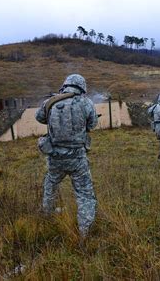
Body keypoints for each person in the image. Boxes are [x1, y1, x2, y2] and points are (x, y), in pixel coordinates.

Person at [35, 74, 98, 237]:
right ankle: (85, 230)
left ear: (65, 85)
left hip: (55, 156)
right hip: (77, 158)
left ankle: (47, 216)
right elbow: (92, 125)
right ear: (82, 87)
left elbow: (40, 118)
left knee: (50, 185)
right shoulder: (86, 103)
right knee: (84, 193)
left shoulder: (51, 102)